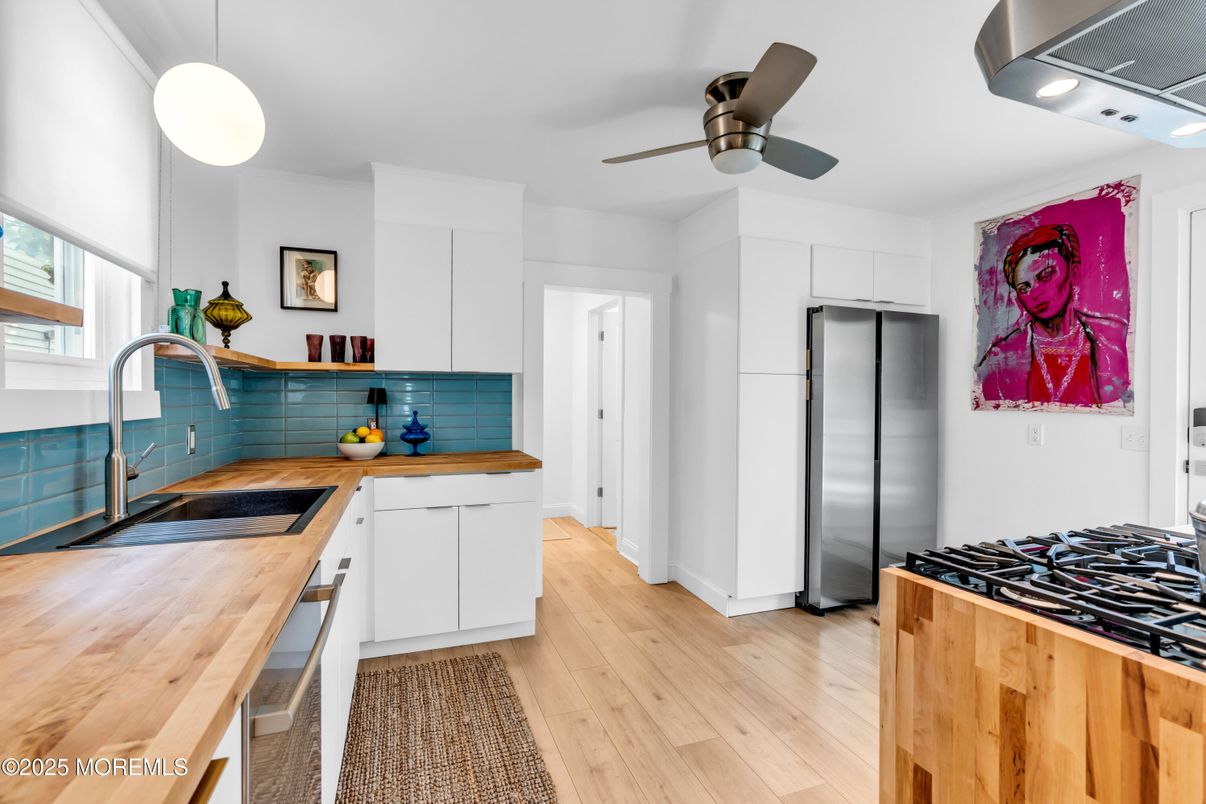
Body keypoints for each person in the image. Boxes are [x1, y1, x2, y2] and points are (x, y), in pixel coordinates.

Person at [976, 223, 1128, 406]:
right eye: (1024, 288)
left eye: (1046, 275)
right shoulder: (999, 358)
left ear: (1074, 272)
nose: (1036, 292)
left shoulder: (1112, 339)